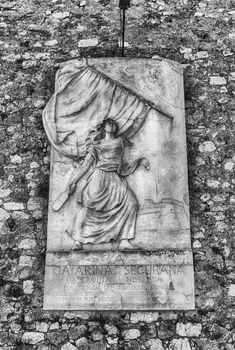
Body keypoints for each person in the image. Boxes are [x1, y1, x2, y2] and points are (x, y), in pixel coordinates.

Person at [65, 118, 150, 250]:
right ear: (103, 127)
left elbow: (123, 163)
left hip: (115, 177)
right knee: (90, 207)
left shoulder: (120, 142)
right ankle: (78, 239)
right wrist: (73, 181)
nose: (111, 125)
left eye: (113, 124)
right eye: (108, 124)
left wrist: (139, 161)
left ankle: (124, 240)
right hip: (99, 177)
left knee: (131, 203)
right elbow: (85, 165)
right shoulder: (96, 144)